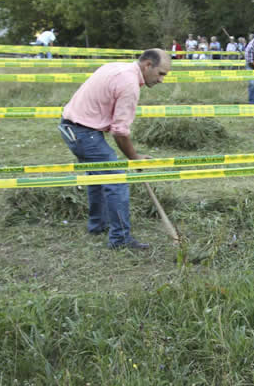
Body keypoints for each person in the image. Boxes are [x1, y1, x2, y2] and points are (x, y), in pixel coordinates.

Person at [58, 48, 171, 250]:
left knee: (97, 178)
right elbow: (119, 131)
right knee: (117, 180)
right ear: (147, 65)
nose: (161, 80)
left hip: (73, 127)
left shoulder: (118, 68)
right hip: (83, 132)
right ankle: (120, 239)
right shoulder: (129, 84)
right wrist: (133, 157)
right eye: (161, 73)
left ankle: (98, 225)